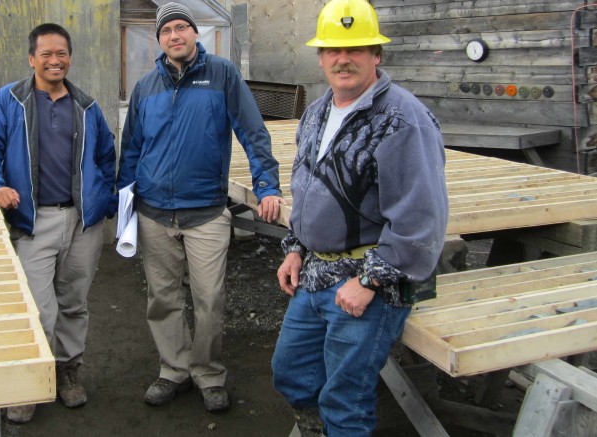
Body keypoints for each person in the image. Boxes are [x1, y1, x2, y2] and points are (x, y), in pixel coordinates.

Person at [270, 0, 449, 436]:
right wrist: (295, 249)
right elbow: (305, 188)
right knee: (291, 374)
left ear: (377, 55)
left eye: (356, 49)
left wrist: (369, 281)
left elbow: (422, 220)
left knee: (345, 400)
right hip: (314, 272)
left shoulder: (403, 120)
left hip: (369, 281)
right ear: (320, 56)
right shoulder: (316, 112)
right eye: (332, 49)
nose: (342, 59)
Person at [117, 2, 285, 412]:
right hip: (155, 211)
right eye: (166, 31)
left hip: (206, 211)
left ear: (195, 34)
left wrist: (267, 186)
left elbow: (252, 130)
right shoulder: (146, 87)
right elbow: (133, 148)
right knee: (163, 298)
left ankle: (208, 373)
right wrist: (122, 202)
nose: (175, 36)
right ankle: (173, 370)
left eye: (181, 28)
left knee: (209, 298)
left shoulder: (221, 75)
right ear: (159, 40)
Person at [0, 23, 117, 424]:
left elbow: (107, 156)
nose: (55, 61)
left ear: (70, 58)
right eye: (47, 54)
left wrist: (103, 199)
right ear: (32, 58)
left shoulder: (86, 105)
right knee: (38, 306)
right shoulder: (11, 100)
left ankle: (67, 371)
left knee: (74, 302)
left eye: (62, 54)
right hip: (36, 220)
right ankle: (32, 378)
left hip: (81, 221)